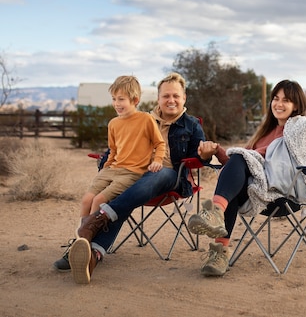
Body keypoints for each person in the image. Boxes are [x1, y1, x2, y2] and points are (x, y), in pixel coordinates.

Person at [54, 72, 219, 284]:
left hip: (171, 177)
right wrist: (106, 164)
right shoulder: (142, 119)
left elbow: (199, 157)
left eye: (176, 96)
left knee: (151, 178)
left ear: (184, 98)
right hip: (134, 174)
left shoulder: (191, 124)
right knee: (120, 191)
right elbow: (117, 147)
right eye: (166, 96)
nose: (171, 100)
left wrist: (204, 154)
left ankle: (91, 228)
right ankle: (91, 253)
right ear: (158, 98)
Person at [187, 79, 306, 277]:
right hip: (255, 186)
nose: (279, 104)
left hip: (282, 192)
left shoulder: (299, 129)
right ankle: (219, 251)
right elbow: (239, 168)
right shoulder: (265, 132)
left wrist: (248, 154)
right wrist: (216, 151)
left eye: (286, 100)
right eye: (275, 98)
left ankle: (216, 213)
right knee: (235, 179)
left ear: (297, 105)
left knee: (241, 161)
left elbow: (305, 136)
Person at [77, 75, 165, 225]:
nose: (116, 103)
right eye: (114, 99)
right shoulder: (113, 124)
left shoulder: (146, 119)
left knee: (98, 201)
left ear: (135, 100)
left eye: (121, 99)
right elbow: (113, 150)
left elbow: (160, 144)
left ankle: (89, 239)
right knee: (86, 200)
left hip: (132, 173)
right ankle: (80, 240)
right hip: (112, 169)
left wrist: (157, 160)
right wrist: (105, 167)